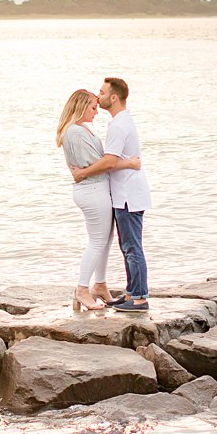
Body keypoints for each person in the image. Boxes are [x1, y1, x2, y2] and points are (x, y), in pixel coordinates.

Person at [56, 89, 141, 313]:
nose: (96, 111)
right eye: (93, 107)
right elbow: (102, 164)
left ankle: (100, 285)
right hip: (92, 191)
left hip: (97, 189)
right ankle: (82, 289)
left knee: (105, 240)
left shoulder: (82, 128)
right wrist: (131, 163)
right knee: (97, 242)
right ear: (81, 106)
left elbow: (101, 163)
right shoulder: (74, 132)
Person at [71, 77, 151, 313]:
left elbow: (109, 161)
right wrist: (130, 163)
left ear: (114, 97)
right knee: (127, 246)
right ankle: (131, 292)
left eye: (102, 92)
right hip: (124, 194)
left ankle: (139, 298)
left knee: (132, 247)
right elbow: (115, 160)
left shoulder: (117, 125)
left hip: (128, 195)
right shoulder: (122, 121)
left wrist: (83, 172)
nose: (99, 96)